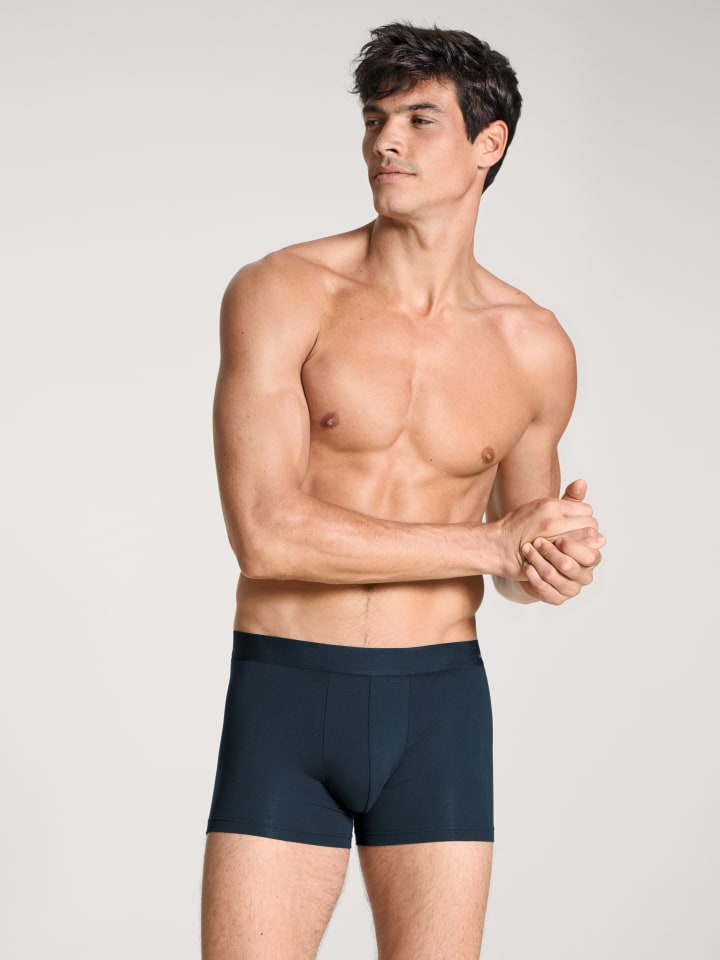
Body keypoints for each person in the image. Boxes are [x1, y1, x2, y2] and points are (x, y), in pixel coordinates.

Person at [201, 22, 604, 960]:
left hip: (440, 710)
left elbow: (517, 561)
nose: (386, 140)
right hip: (286, 692)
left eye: (420, 119)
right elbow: (266, 533)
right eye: (376, 119)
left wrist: (551, 560)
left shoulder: (535, 345)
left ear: (488, 144)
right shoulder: (284, 291)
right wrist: (491, 544)